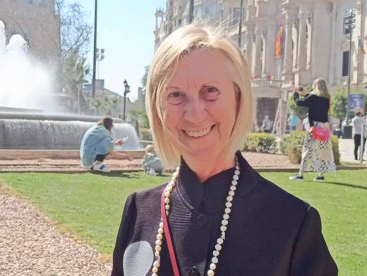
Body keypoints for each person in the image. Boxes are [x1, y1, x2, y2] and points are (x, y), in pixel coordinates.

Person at [112, 24, 337, 276]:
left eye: (210, 91)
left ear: (238, 100)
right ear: (157, 107)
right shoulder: (139, 211)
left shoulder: (293, 223)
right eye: (175, 94)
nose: (195, 114)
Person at [289, 80, 336, 181]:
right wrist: (306, 93)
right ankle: (320, 175)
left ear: (316, 86)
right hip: (324, 126)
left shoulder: (313, 97)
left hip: (314, 127)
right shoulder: (327, 99)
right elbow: (314, 102)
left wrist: (296, 93)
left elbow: (299, 103)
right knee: (322, 150)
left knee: (307, 150)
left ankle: (300, 174)